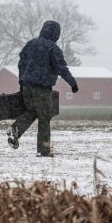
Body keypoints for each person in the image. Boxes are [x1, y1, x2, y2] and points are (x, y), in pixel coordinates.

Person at [7, 20, 78, 157]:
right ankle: (44, 150)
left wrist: (22, 81)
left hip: (27, 85)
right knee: (44, 118)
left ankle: (15, 129)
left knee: (32, 111)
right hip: (42, 88)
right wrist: (72, 83)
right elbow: (61, 68)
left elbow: (22, 63)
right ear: (56, 34)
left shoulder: (31, 44)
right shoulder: (53, 49)